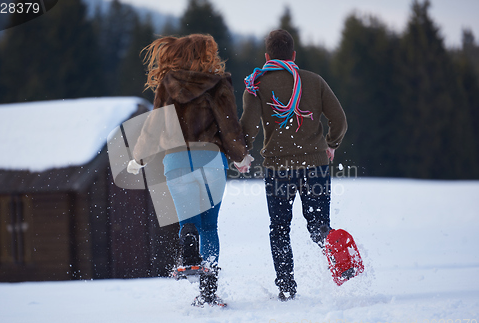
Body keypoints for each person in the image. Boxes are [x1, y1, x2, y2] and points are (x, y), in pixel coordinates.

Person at [127, 34, 251, 307]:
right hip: (210, 161)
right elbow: (229, 126)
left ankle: (188, 238)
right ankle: (208, 292)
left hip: (176, 161)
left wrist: (138, 158)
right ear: (207, 55)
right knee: (210, 227)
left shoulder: (166, 84)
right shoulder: (219, 84)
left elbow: (153, 126)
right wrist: (241, 157)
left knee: (188, 221)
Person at [238, 29, 348, 301]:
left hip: (278, 169)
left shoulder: (257, 85)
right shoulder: (313, 81)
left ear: (266, 56)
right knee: (318, 224)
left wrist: (242, 154)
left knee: (279, 227)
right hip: (316, 166)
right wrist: (331, 144)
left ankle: (286, 287)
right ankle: (340, 258)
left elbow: (248, 128)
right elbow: (339, 120)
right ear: (294, 55)